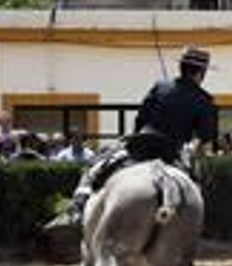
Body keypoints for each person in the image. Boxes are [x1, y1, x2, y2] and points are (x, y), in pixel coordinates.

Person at [45, 46, 219, 232]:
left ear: (181, 67)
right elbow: (205, 139)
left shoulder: (160, 87)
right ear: (202, 73)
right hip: (171, 151)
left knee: (95, 166)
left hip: (140, 145)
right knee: (196, 187)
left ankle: (76, 210)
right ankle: (196, 227)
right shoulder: (204, 99)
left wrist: (133, 137)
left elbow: (140, 119)